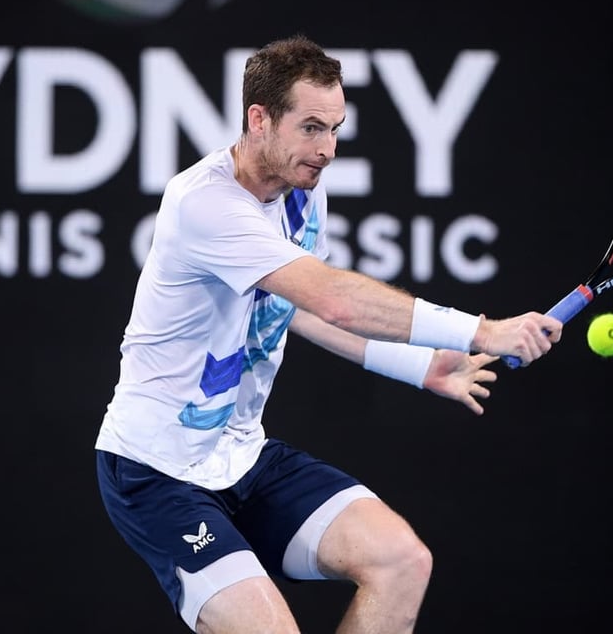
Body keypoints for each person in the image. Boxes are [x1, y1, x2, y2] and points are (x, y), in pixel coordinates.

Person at [95, 34, 561, 634]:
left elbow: (298, 310)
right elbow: (335, 301)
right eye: (312, 128)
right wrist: (483, 331)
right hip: (156, 471)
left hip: (242, 456)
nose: (328, 149)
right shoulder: (203, 202)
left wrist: (419, 365)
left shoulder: (301, 191)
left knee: (400, 561)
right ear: (258, 119)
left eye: (336, 128)